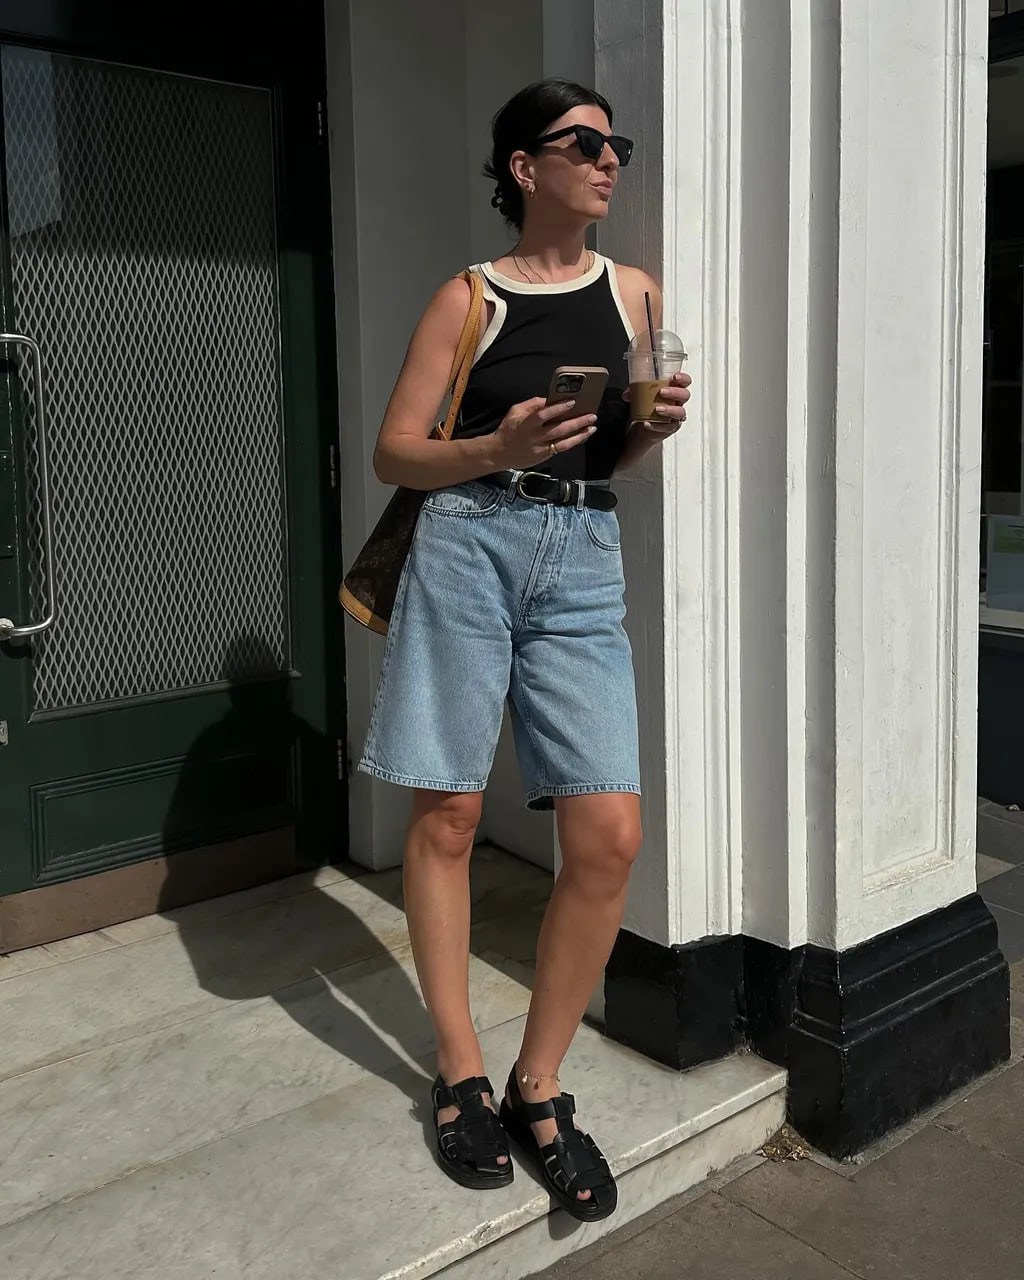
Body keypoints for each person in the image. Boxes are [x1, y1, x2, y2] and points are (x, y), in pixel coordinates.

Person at [359, 79, 691, 1222]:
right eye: (582, 143)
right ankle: (459, 1069)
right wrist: (489, 443)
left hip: (580, 550)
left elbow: (618, 454)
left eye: (615, 145)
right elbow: (394, 453)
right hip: (464, 540)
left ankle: (535, 1083)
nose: (607, 161)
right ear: (521, 166)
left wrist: (650, 426)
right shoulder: (468, 297)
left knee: (609, 833)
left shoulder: (635, 292)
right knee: (449, 813)